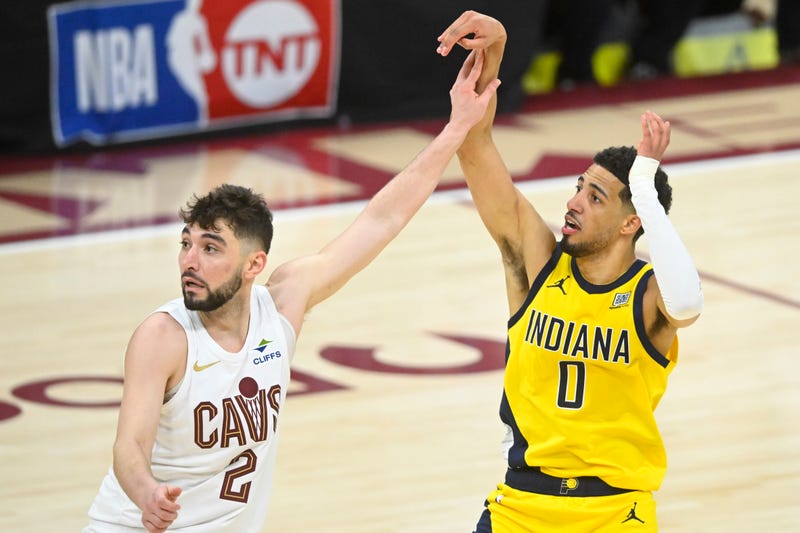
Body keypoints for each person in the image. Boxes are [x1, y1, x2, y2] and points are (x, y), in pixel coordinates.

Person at [83, 49, 501, 533]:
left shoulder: (281, 306)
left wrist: (455, 129)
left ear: (254, 264)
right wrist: (146, 492)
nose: (190, 261)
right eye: (186, 244)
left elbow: (382, 219)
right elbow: (129, 448)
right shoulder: (163, 336)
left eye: (211, 248)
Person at [437, 11, 703, 531]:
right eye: (580, 186)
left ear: (633, 222)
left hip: (614, 511)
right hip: (521, 506)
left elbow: (689, 304)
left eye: (594, 195)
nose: (574, 201)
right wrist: (495, 55)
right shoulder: (538, 261)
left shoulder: (651, 294)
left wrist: (646, 187)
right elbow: (476, 148)